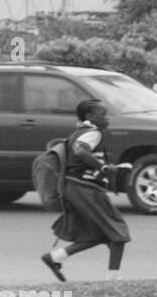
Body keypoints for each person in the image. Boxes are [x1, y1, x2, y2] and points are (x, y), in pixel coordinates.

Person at [39, 99, 130, 282]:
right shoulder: (94, 133)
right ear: (90, 117)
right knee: (118, 231)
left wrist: (110, 168)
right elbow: (81, 151)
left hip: (75, 187)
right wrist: (104, 169)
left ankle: (56, 257)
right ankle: (113, 278)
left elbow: (81, 158)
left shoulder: (80, 132)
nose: (107, 118)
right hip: (86, 189)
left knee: (97, 234)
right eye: (103, 114)